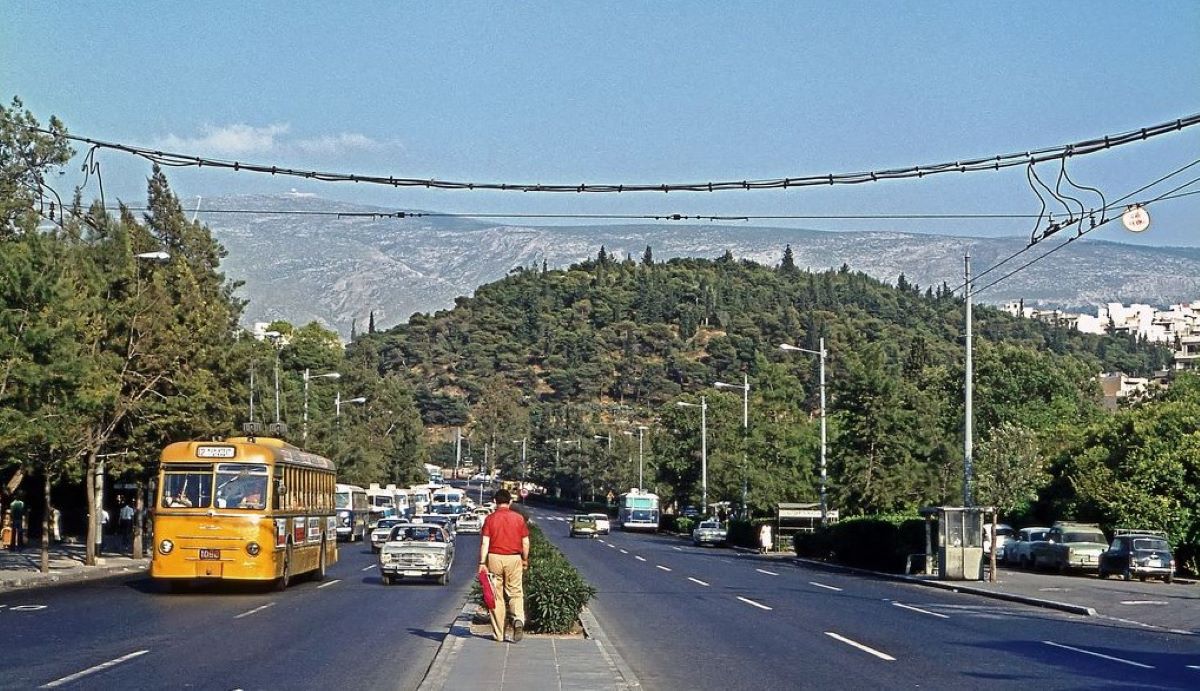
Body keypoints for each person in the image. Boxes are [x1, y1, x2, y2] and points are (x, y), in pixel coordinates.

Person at [478, 488, 530, 643]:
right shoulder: (519, 519)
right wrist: (525, 559)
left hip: (494, 557)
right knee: (515, 592)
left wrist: (482, 562)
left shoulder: (490, 519)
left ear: (495, 501)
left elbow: (485, 543)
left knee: (496, 595)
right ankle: (518, 619)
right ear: (510, 502)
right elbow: (525, 543)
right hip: (514, 558)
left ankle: (499, 634)